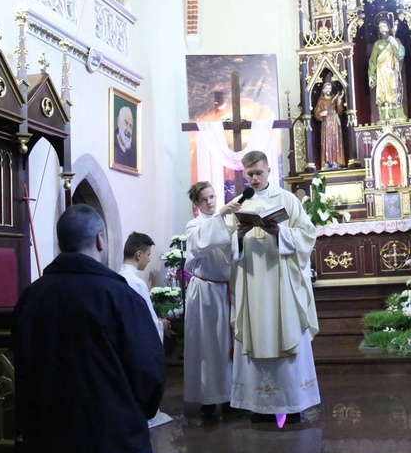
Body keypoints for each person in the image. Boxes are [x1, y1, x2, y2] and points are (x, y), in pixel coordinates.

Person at [13, 204, 164, 453]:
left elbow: (22, 368)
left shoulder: (30, 298)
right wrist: (136, 416)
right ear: (100, 240)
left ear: (61, 242)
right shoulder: (121, 296)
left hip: (50, 450)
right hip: (115, 448)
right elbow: (148, 369)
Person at [227, 151, 320, 426]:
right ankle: (259, 405)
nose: (254, 179)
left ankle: (291, 404)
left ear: (269, 170)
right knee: (255, 335)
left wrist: (281, 232)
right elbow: (230, 244)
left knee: (285, 331)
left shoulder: (287, 200)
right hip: (253, 279)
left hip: (281, 280)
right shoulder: (239, 204)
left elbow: (307, 235)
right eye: (250, 174)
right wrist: (239, 238)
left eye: (259, 173)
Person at [183, 182, 242, 416]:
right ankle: (208, 399)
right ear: (196, 204)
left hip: (226, 290)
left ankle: (230, 397)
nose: (210, 202)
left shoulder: (226, 222)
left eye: (212, 197)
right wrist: (221, 215)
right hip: (205, 292)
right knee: (208, 346)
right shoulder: (194, 224)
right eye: (204, 199)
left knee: (227, 345)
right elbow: (199, 245)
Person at [119, 231, 173, 429]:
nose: (149, 260)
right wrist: (162, 325)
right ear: (139, 254)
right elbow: (148, 323)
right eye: (149, 255)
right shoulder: (137, 283)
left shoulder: (117, 277)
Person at [368, 18, 405, 121]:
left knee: (394, 91)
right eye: (380, 27)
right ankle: (384, 116)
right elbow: (372, 61)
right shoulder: (377, 44)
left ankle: (397, 115)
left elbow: (400, 55)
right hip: (381, 74)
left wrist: (394, 43)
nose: (382, 29)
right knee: (383, 94)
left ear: (389, 28)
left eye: (384, 26)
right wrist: (371, 75)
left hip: (392, 72)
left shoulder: (395, 40)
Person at [313, 81, 346, 169]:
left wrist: (339, 102)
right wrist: (321, 113)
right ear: (323, 90)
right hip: (326, 122)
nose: (328, 90)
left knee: (335, 140)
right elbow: (316, 113)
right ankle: (327, 162)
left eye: (330, 88)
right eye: (327, 88)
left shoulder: (334, 99)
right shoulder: (321, 101)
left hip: (335, 121)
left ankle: (336, 161)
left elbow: (340, 111)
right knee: (327, 141)